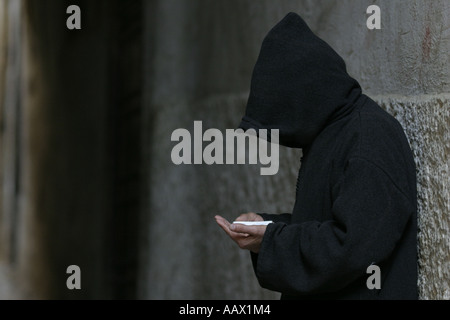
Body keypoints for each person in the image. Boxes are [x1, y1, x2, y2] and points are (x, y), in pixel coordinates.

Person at [215, 12, 417, 300]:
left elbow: (349, 248)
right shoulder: (334, 131)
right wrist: (267, 226)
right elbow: (326, 221)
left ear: (305, 96)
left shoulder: (368, 138)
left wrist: (272, 239)